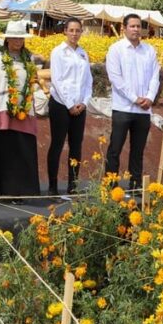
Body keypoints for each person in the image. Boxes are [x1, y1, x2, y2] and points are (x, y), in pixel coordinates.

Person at [0, 19, 40, 202]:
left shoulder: (28, 57)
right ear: (7, 39)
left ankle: (18, 190)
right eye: (14, 37)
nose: (18, 41)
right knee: (1, 149)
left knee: (20, 149)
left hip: (23, 111)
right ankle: (0, 190)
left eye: (20, 37)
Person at [104, 13, 160, 194]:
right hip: (123, 108)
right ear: (124, 28)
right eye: (132, 26)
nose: (136, 29)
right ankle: (111, 186)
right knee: (115, 148)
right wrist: (135, 98)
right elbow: (116, 79)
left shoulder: (149, 50)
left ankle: (135, 186)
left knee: (138, 150)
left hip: (143, 110)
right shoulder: (116, 49)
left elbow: (155, 76)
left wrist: (150, 98)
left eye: (138, 26)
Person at [48, 17, 93, 195]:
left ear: (81, 32)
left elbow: (88, 80)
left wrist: (84, 102)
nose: (75, 34)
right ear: (65, 31)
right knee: (57, 144)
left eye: (78, 30)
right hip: (60, 104)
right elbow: (57, 80)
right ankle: (52, 186)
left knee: (76, 146)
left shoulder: (83, 53)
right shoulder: (58, 52)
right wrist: (69, 105)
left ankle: (72, 186)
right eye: (71, 30)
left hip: (80, 106)